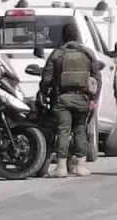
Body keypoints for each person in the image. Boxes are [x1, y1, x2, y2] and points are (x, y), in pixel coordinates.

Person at [39, 23, 104, 178]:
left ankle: (61, 168)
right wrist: (94, 98)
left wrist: (43, 92)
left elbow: (46, 78)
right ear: (77, 36)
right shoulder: (87, 53)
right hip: (83, 98)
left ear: (63, 36)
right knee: (80, 130)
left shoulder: (57, 54)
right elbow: (97, 78)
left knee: (63, 130)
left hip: (62, 98)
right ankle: (81, 166)